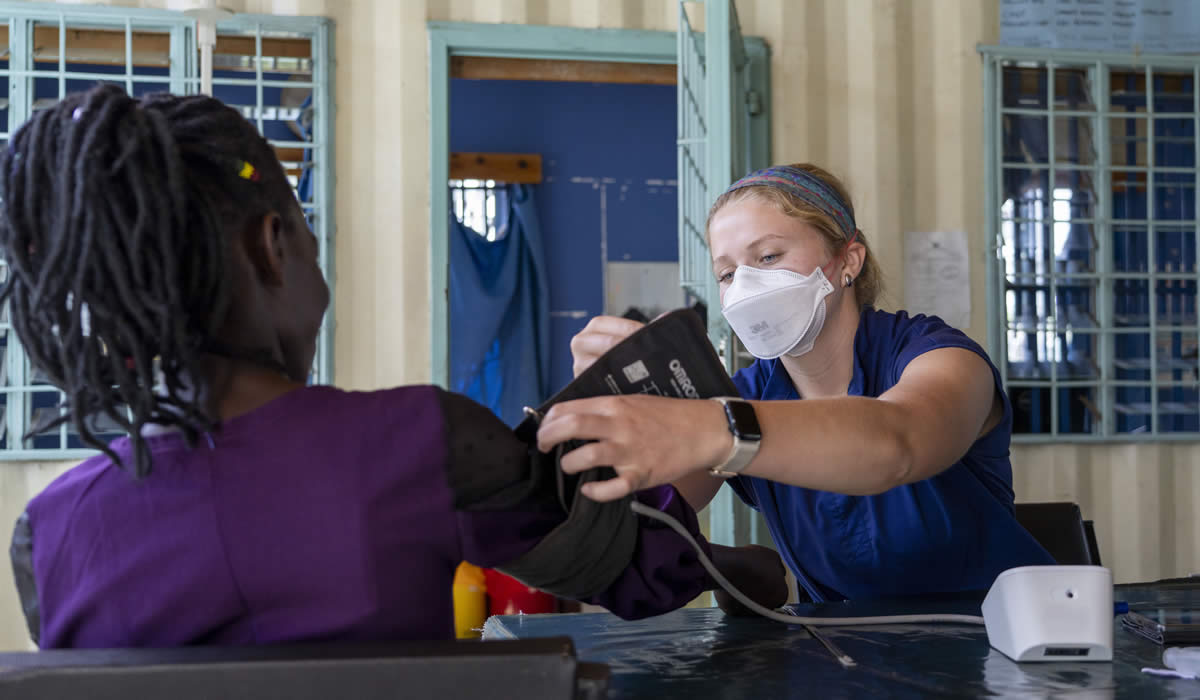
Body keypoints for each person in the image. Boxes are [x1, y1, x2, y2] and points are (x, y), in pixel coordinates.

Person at [3, 85, 785, 649]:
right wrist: (749, 566)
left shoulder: (48, 535)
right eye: (307, 237)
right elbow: (637, 570)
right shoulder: (417, 441)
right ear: (272, 249)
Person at [542, 163, 1055, 603]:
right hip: (845, 660)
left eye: (768, 257)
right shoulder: (741, 397)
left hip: (1009, 647)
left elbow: (896, 441)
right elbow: (653, 510)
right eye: (726, 274)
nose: (744, 286)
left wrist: (708, 425)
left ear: (847, 262)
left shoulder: (938, 356)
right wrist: (618, 406)